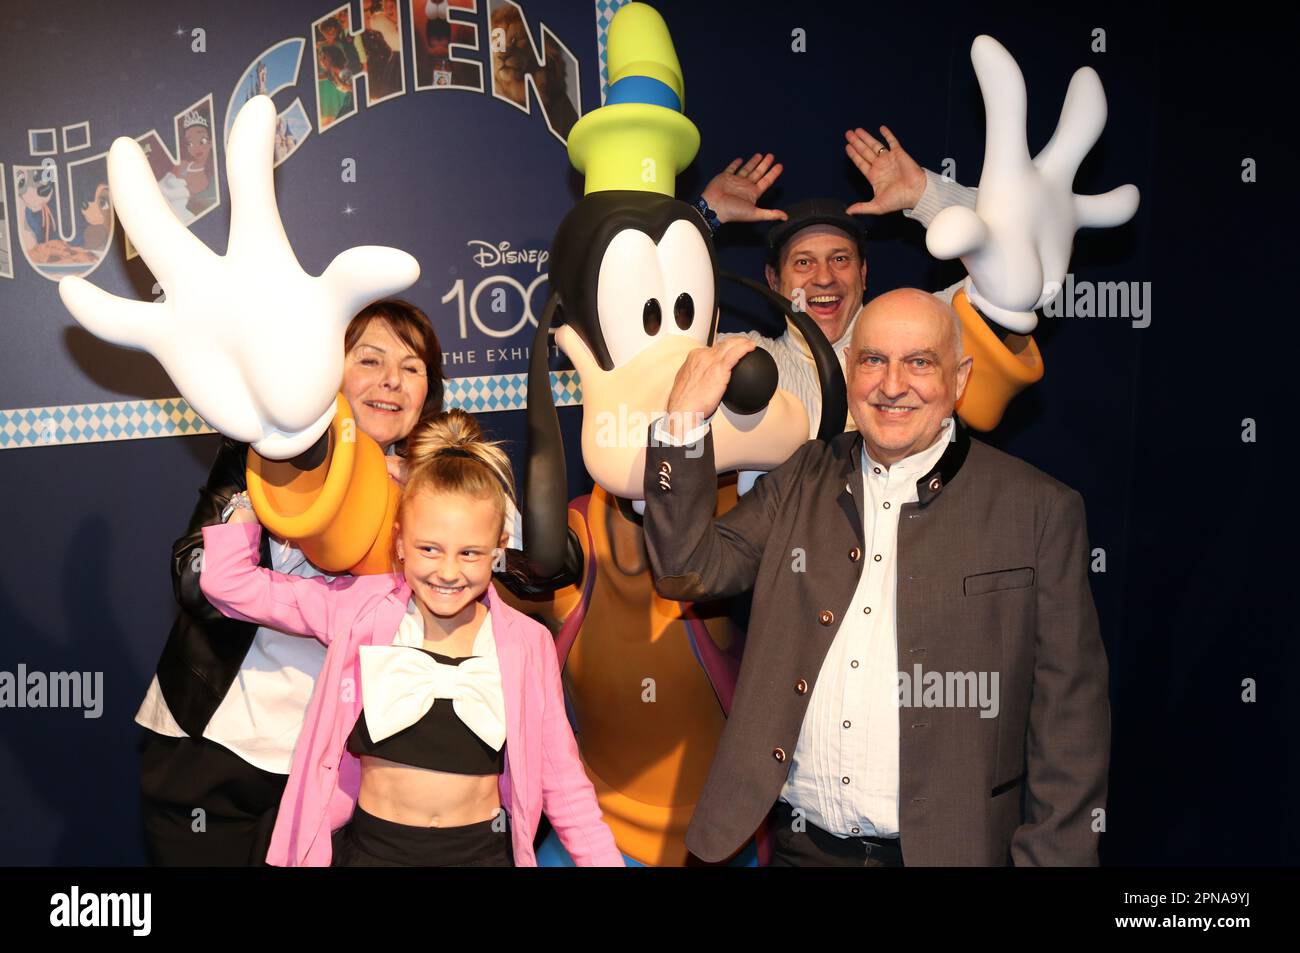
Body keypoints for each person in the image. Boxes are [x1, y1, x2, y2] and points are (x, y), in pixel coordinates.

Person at [641, 287, 1110, 866]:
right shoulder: (802, 476)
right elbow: (688, 570)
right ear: (849, 369)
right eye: (873, 360)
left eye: (919, 362)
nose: (892, 386)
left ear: (960, 378)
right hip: (799, 850)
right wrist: (682, 423)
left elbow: (1071, 718)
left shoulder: (1037, 509)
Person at [201, 409, 625, 867]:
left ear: (499, 550)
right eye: (429, 549)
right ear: (400, 543)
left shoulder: (526, 644)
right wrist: (250, 499)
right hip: (370, 855)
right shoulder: (360, 608)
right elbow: (230, 585)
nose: (447, 571)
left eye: (470, 553)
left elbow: (563, 783)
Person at [136, 300, 443, 866]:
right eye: (369, 360)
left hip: (338, 768)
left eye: (412, 367)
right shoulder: (263, 454)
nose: (391, 382)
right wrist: (260, 505)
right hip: (214, 746)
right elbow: (193, 580)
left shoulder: (439, 491)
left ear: (429, 390)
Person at [698, 131, 979, 435]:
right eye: (803, 262)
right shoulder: (740, 360)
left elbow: (1022, 272)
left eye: (840, 259)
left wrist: (926, 194)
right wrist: (702, 217)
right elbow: (647, 331)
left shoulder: (930, 328)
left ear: (863, 273)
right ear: (773, 280)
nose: (824, 278)